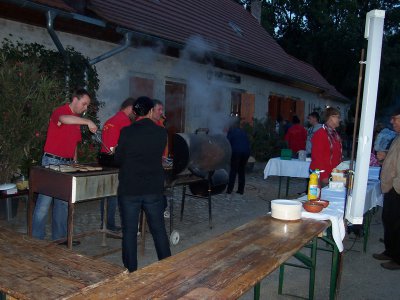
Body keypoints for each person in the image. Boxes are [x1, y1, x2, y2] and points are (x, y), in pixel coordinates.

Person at [32, 88, 98, 243]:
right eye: (84, 104)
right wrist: (87, 121)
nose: (85, 108)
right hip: (52, 162)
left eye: (87, 105)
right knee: (44, 203)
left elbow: (74, 143)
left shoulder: (76, 119)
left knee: (62, 203)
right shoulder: (60, 112)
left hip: (67, 163)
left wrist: (75, 161)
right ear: (75, 99)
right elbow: (64, 118)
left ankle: (60, 239)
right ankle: (35, 240)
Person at [115, 96, 171, 272]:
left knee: (130, 233)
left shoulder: (126, 132)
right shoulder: (161, 133)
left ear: (136, 112)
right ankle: (168, 266)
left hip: (129, 189)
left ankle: (131, 271)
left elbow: (119, 159)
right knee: (159, 230)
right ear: (150, 111)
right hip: (153, 189)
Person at [99, 97, 134, 233]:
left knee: (107, 194)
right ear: (130, 108)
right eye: (134, 111)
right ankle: (110, 225)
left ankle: (106, 223)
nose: (135, 114)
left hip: (105, 160)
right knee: (114, 194)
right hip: (117, 162)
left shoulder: (110, 120)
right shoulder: (125, 121)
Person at [372, 108, 400, 270]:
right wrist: (386, 155)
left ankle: (398, 258)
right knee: (389, 220)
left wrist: (395, 185)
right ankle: (390, 251)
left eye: (395, 119)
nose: (392, 122)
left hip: (397, 188)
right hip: (392, 187)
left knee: (397, 224)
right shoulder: (397, 137)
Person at [310, 107, 342, 186]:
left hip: (333, 174)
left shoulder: (334, 134)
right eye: (338, 117)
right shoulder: (321, 133)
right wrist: (323, 176)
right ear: (331, 117)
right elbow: (317, 157)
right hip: (322, 175)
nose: (339, 120)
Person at [226, 117, 251, 195]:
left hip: (236, 152)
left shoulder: (231, 132)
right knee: (241, 171)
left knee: (233, 171)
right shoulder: (243, 132)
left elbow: (227, 143)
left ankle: (229, 190)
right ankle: (241, 190)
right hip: (246, 152)